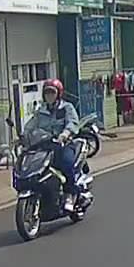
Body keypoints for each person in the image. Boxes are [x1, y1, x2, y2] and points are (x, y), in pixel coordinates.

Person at [25, 78, 83, 210]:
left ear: (58, 94)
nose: (49, 95)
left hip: (64, 144)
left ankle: (70, 194)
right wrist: (24, 135)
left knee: (66, 163)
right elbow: (30, 125)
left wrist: (65, 134)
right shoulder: (41, 111)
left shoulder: (66, 108)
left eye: (52, 92)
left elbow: (73, 123)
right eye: (47, 93)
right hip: (45, 145)